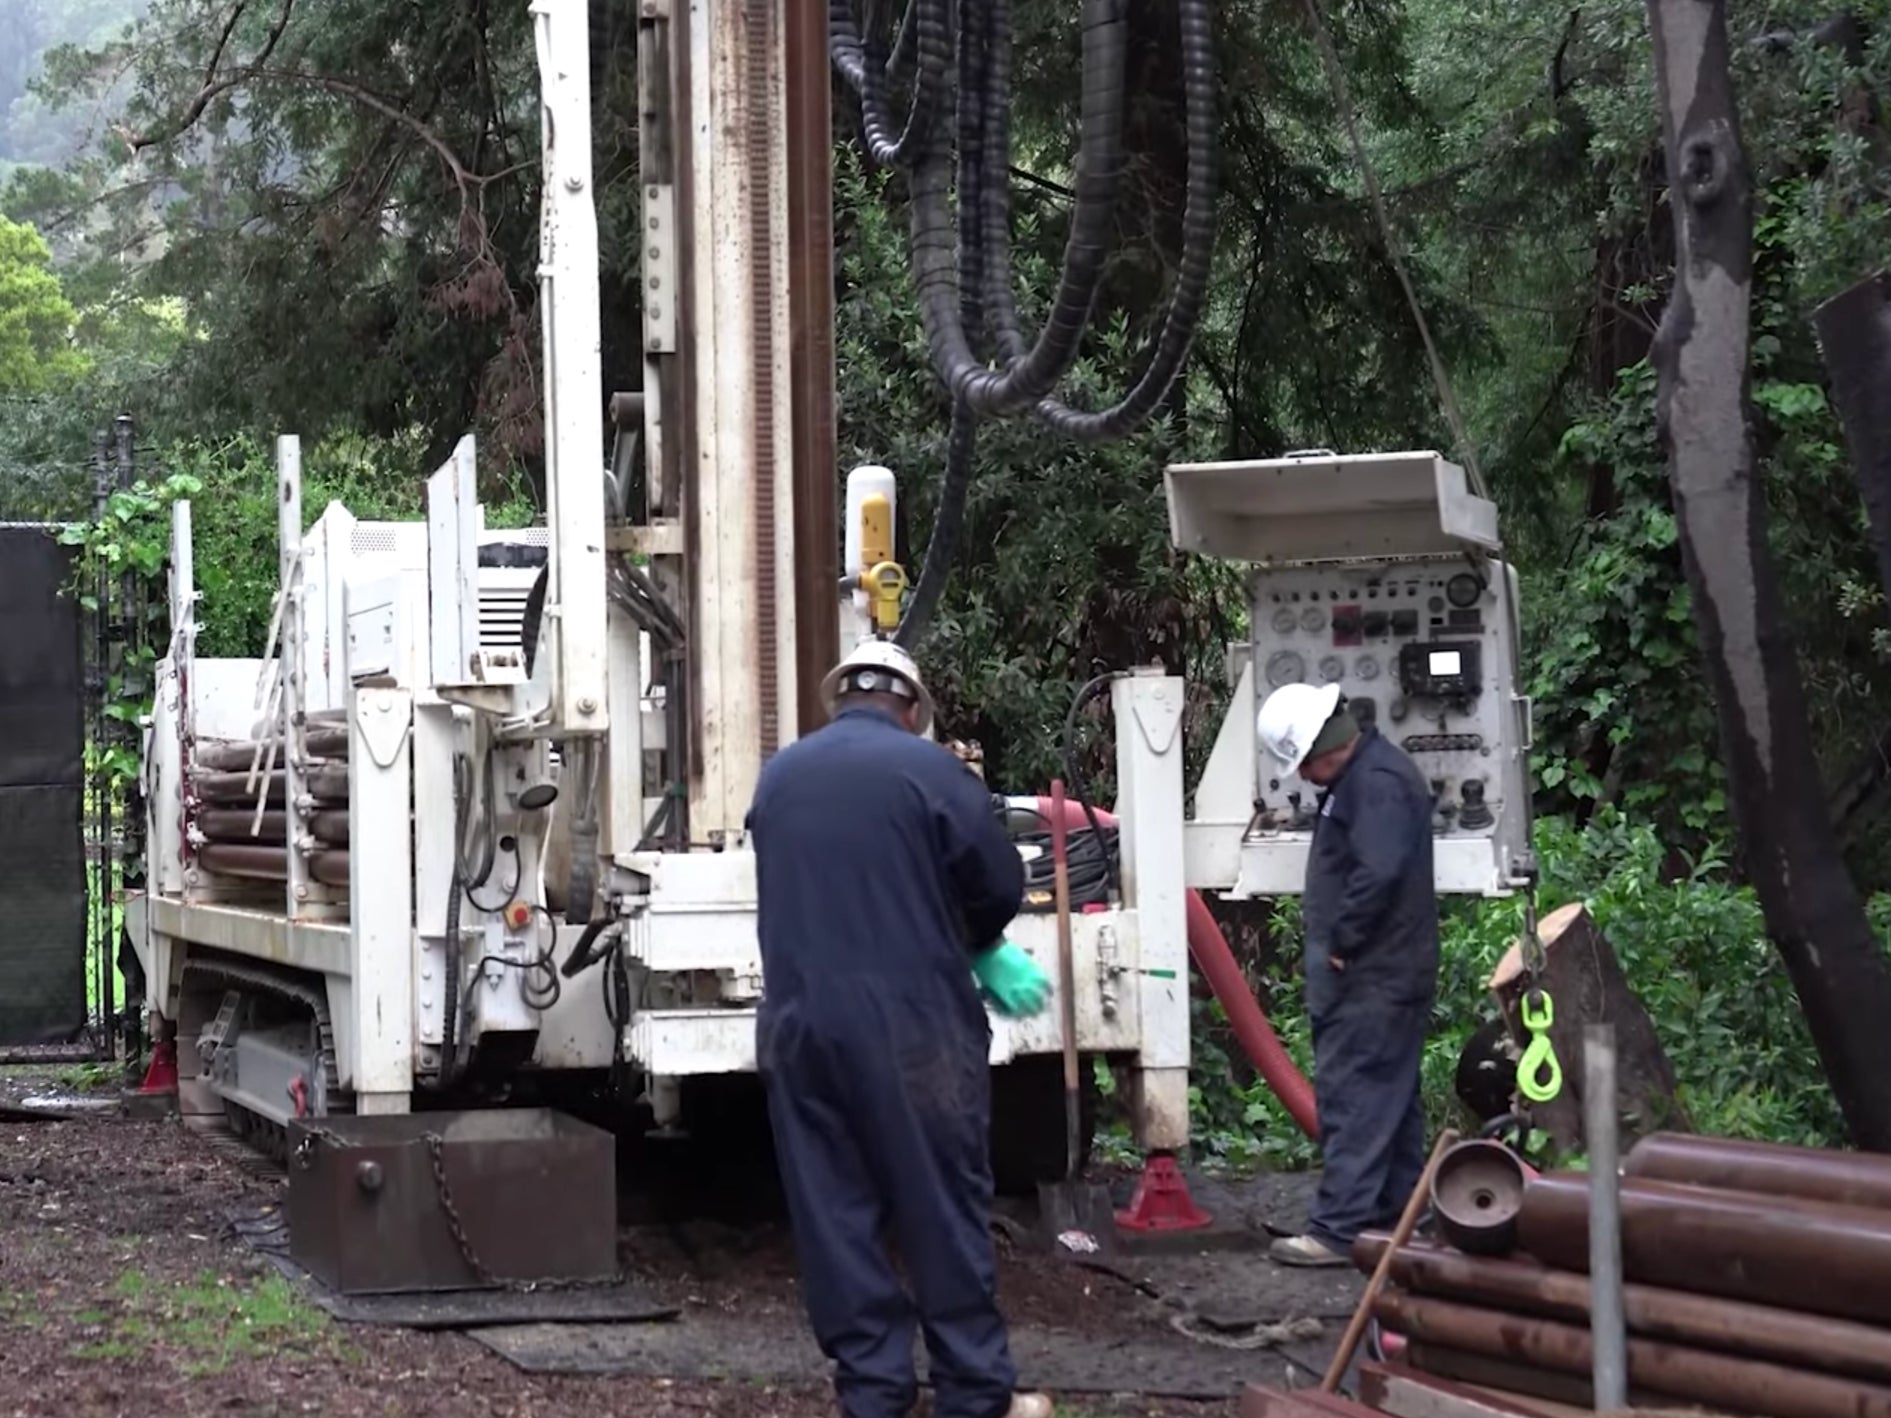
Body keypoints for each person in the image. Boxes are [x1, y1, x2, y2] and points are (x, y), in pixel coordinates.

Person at [745, 637, 1058, 1418]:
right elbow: (994, 884)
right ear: (912, 710)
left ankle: (874, 1392)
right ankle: (973, 1392)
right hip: (910, 1028)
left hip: (798, 1025)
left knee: (834, 1211)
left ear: (838, 700)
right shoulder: (933, 773)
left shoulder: (779, 777)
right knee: (938, 1204)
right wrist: (977, 942)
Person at [1255, 682, 1439, 1268]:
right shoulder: (1361, 781)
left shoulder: (1378, 785)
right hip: (1382, 974)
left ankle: (1337, 1229)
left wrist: (1341, 942)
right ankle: (1400, 1218)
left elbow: (1378, 873)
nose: (1303, 776)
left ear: (1320, 746)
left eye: (1302, 763)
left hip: (1373, 975)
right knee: (1392, 1102)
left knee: (1357, 1099)